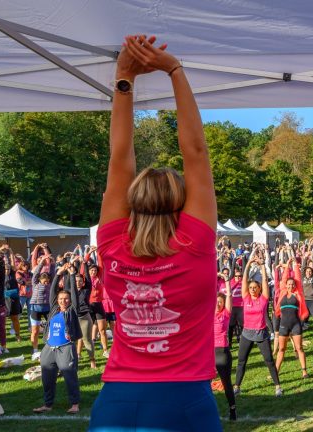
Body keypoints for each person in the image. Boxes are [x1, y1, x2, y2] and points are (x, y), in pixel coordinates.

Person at [88, 35, 221, 432]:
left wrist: (124, 77)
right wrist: (173, 70)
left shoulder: (113, 242)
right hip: (183, 400)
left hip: (116, 403)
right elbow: (195, 151)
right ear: (182, 203)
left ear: (133, 200)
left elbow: (120, 155)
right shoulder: (195, 242)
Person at [33, 273, 82, 414]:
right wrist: (58, 274)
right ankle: (47, 404)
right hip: (49, 347)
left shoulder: (72, 310)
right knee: (47, 378)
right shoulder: (54, 309)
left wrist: (71, 276)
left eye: (66, 299)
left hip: (65, 348)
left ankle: (74, 404)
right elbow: (53, 292)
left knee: (69, 376)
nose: (63, 301)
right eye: (61, 299)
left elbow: (74, 295)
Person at [235, 258, 282, 396]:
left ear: (259, 288)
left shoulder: (263, 298)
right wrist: (248, 264)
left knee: (269, 361)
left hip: (261, 333)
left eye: (255, 287)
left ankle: (278, 387)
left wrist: (262, 266)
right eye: (250, 288)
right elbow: (244, 280)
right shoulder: (246, 297)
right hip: (246, 334)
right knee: (241, 361)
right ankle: (237, 386)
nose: (252, 289)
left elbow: (265, 281)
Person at [274, 258, 309, 379]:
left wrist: (295, 266)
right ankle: (276, 372)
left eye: (292, 284)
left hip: (295, 324)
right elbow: (284, 278)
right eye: (289, 284)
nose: (290, 285)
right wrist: (287, 265)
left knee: (299, 348)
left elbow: (298, 278)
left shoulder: (298, 292)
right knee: (281, 349)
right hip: (283, 324)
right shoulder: (283, 291)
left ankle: (304, 371)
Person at [214, 274, 236, 421]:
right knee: (202, 384)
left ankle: (232, 410)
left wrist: (226, 281)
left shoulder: (225, 315)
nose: (218, 304)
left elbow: (229, 296)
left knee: (226, 382)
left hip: (222, 352)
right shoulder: (207, 314)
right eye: (216, 301)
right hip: (208, 353)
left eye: (220, 302)